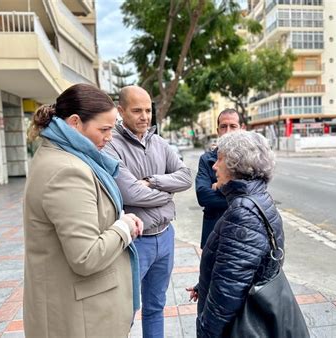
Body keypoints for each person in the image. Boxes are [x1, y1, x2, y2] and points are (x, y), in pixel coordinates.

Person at [23, 83, 143, 337]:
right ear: (75, 122)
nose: (109, 137)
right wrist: (124, 227)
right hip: (82, 318)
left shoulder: (62, 157)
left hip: (80, 311)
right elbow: (86, 256)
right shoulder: (67, 171)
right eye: (104, 129)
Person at [104, 85, 192, 338]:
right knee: (126, 310)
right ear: (121, 111)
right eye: (136, 111)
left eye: (147, 110)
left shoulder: (159, 142)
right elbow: (131, 194)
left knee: (156, 306)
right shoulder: (111, 145)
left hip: (165, 237)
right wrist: (168, 195)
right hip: (135, 241)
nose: (144, 116)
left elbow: (186, 177)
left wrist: (153, 181)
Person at [187, 130, 284, 337]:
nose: (214, 165)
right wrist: (204, 284)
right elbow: (236, 269)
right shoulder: (258, 199)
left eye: (220, 159)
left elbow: (227, 294)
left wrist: (206, 332)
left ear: (235, 164)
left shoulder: (242, 213)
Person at [195, 108, 245, 248]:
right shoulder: (206, 159)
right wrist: (237, 193)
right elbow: (203, 196)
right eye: (223, 126)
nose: (227, 131)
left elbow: (252, 193)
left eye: (233, 126)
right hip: (213, 235)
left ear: (241, 129)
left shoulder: (250, 159)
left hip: (242, 233)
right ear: (218, 130)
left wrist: (219, 186)